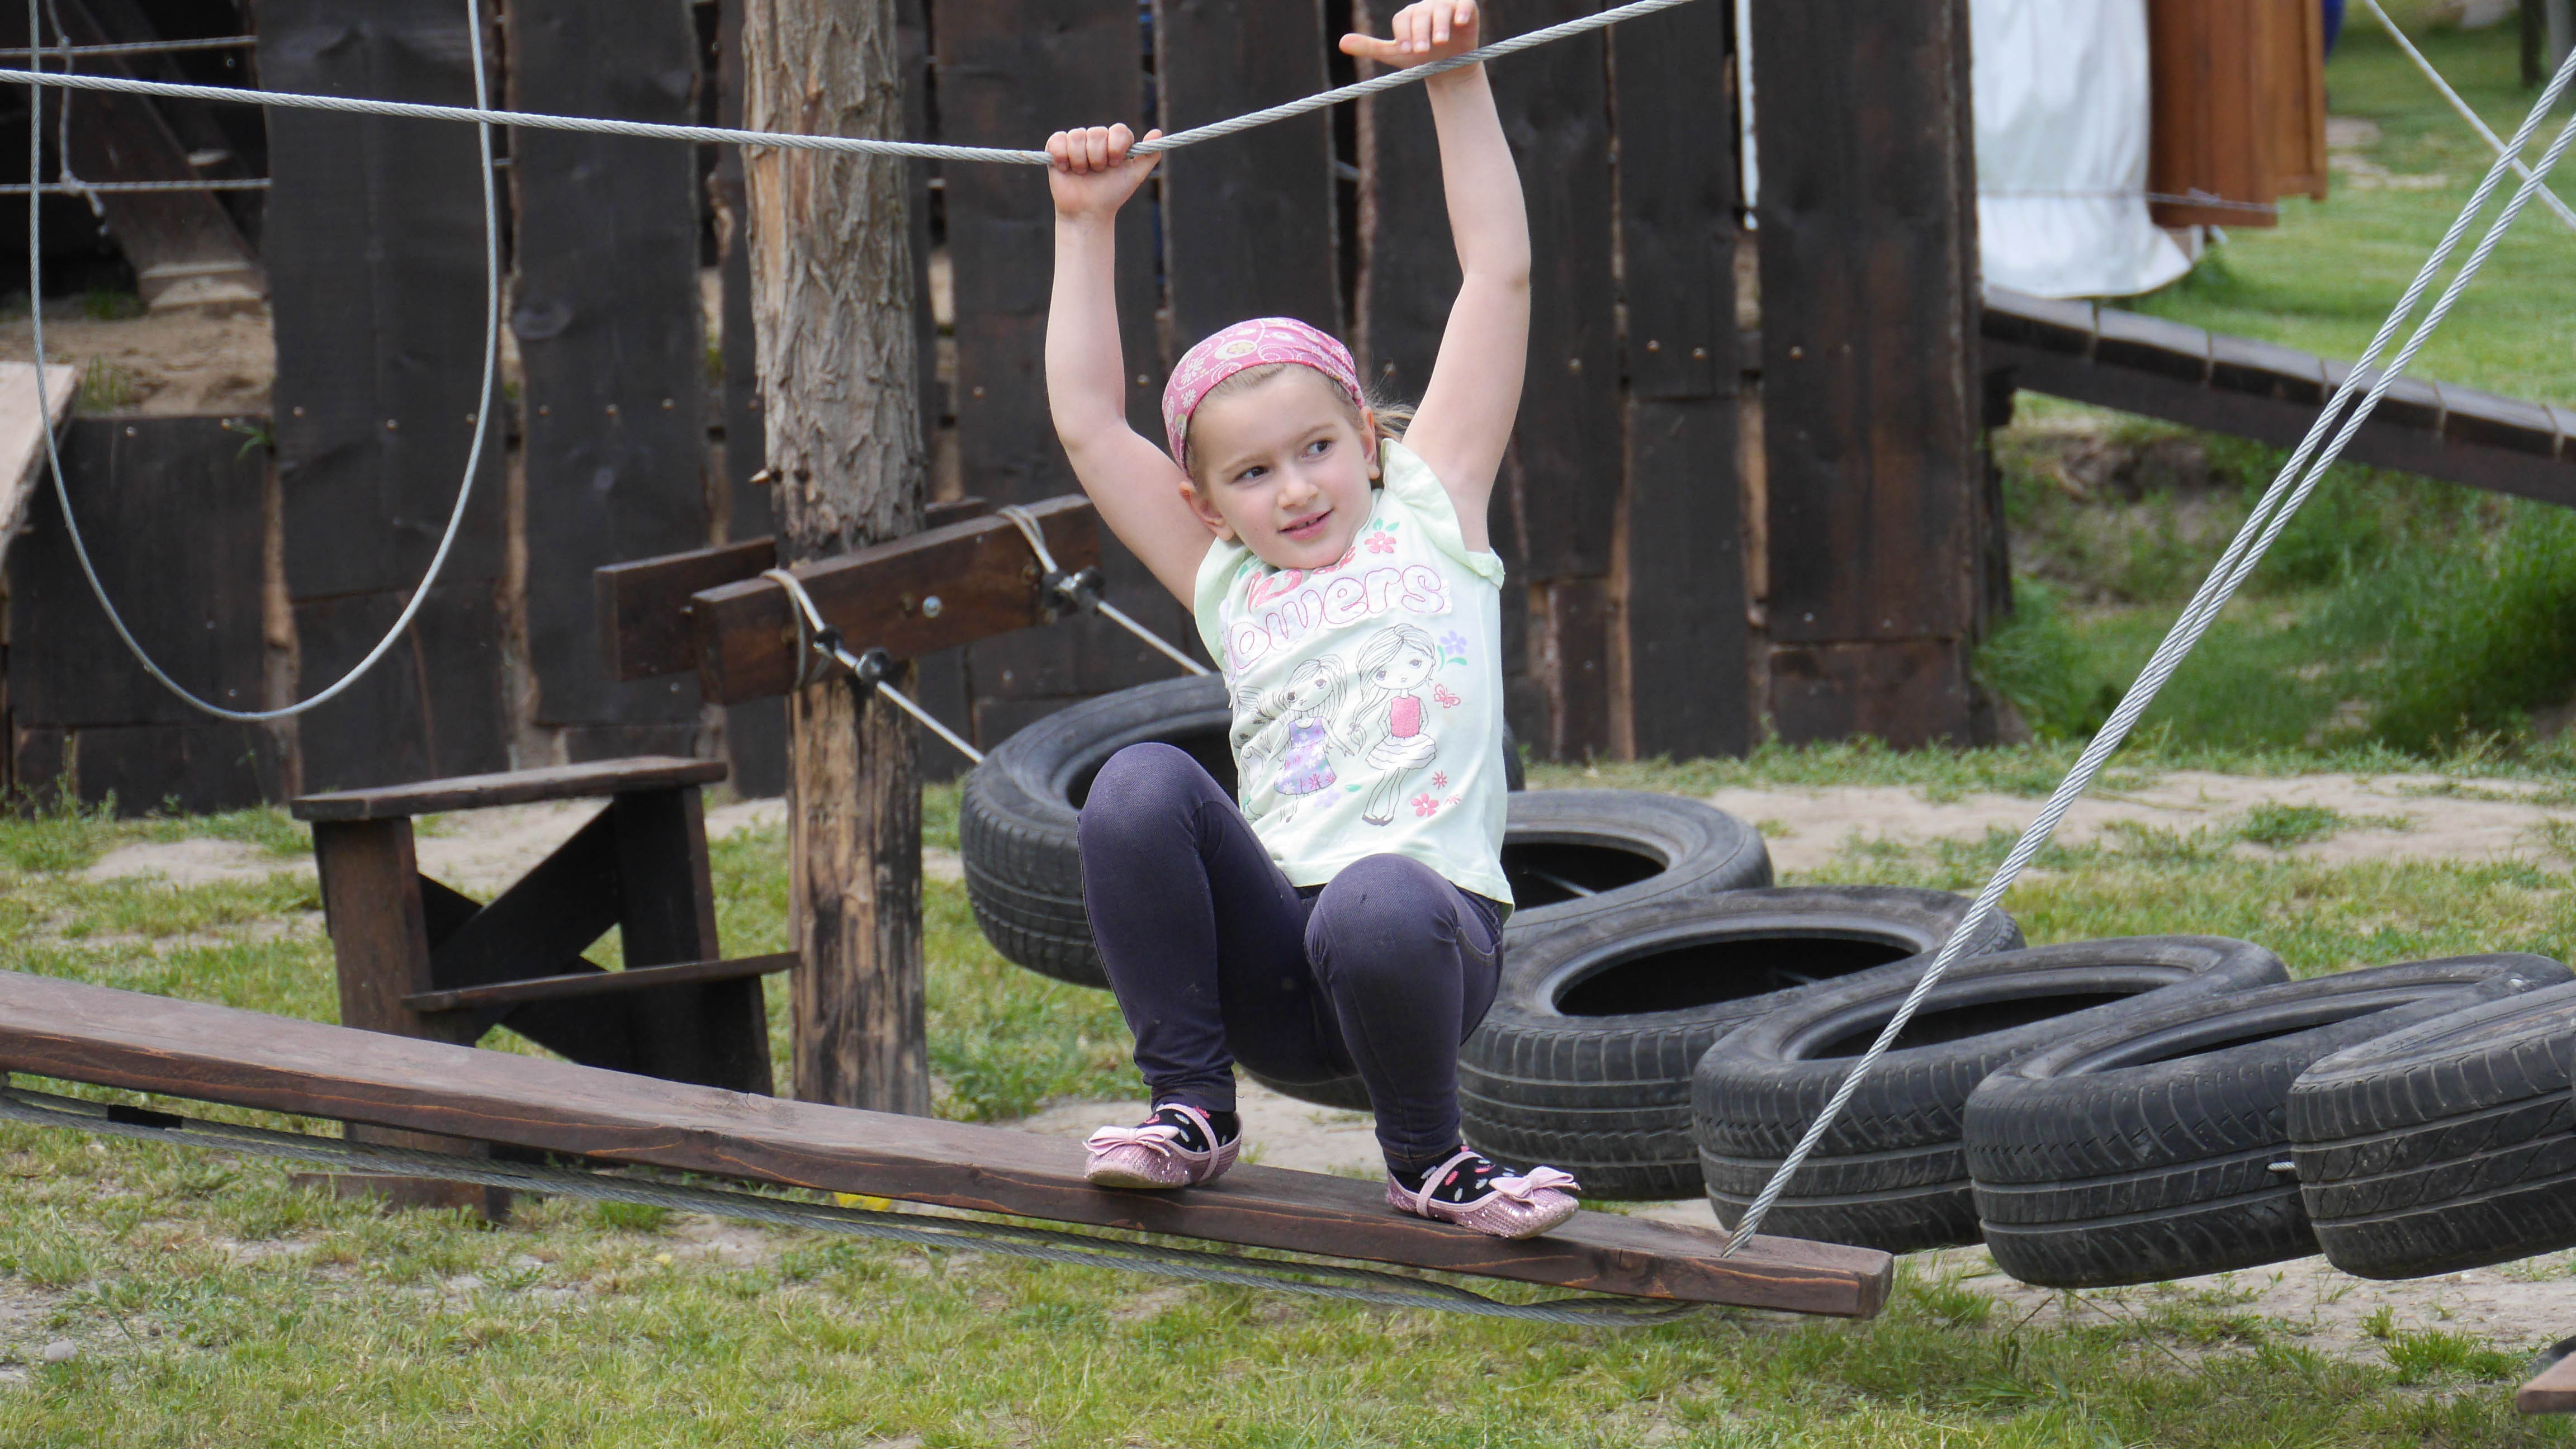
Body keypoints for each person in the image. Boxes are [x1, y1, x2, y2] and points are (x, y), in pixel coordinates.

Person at [1043, 0, 1576, 1238]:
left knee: (1376, 894)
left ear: (1367, 438)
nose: (1294, 489)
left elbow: (1497, 274)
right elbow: (1087, 422)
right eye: (1252, 473)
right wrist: (1084, 224)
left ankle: (1432, 1159)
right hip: (1277, 972)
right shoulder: (1225, 574)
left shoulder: (1433, 507)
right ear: (1207, 505)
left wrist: (1453, 80)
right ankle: (1191, 1110)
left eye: (1318, 449)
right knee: (1136, 782)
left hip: (1425, 944)